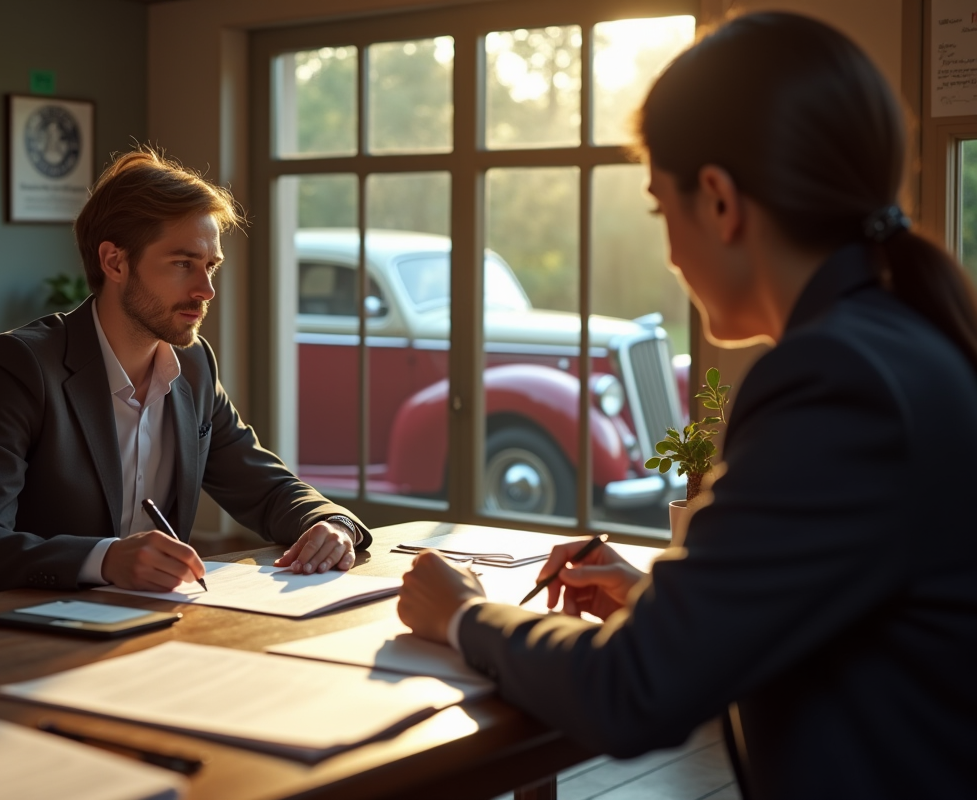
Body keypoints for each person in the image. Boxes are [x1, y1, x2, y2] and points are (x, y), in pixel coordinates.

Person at [398, 12, 977, 799]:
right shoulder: (902, 337)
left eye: (657, 210)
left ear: (718, 200)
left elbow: (632, 694)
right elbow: (855, 610)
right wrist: (661, 596)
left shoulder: (834, 377)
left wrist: (463, 616)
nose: (669, 250)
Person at [0, 147, 370, 601]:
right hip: (39, 632)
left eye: (210, 265)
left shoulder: (194, 365)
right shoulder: (20, 366)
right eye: (183, 264)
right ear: (114, 262)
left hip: (155, 623)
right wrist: (105, 558)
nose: (206, 290)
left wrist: (330, 522)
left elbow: (263, 484)